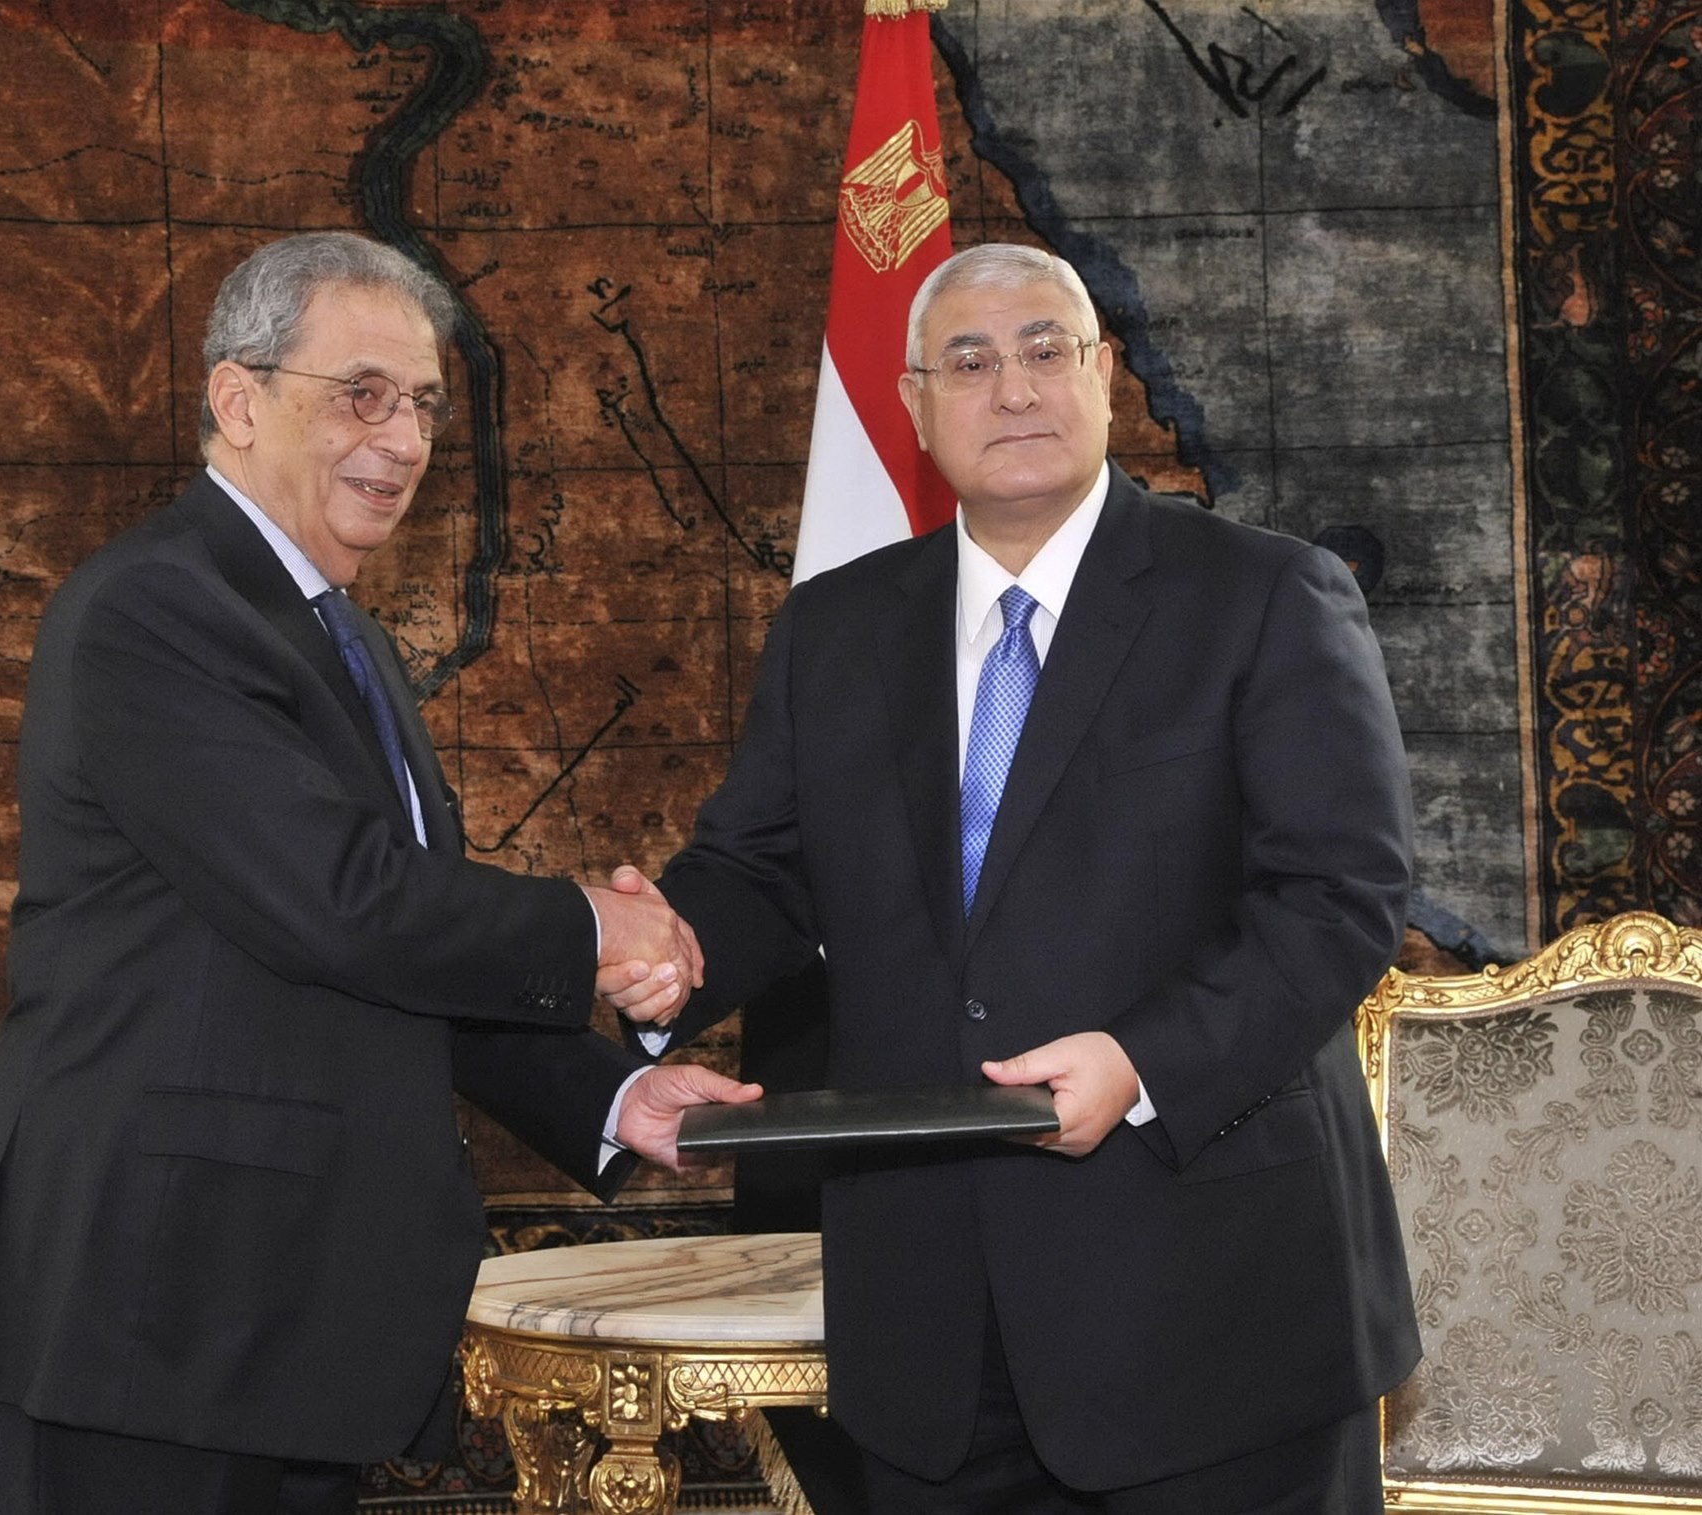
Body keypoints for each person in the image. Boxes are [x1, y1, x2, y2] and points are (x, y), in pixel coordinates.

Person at [0, 231, 752, 1515]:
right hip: (150, 1316)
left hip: (283, 1318)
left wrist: (611, 1098)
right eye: (362, 394)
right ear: (238, 399)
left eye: (422, 404)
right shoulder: (156, 607)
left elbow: (394, 957)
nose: (404, 438)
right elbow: (339, 901)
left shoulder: (334, 632)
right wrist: (591, 926)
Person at [609, 243, 1421, 1512]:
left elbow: (1340, 898)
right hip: (927, 1322)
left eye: (1047, 349)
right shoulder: (833, 626)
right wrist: (663, 950)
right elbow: (758, 871)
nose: (1015, 387)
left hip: (1211, 1308)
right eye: (971, 361)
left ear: (1104, 375)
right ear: (915, 403)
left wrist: (1143, 1062)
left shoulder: (1262, 593)